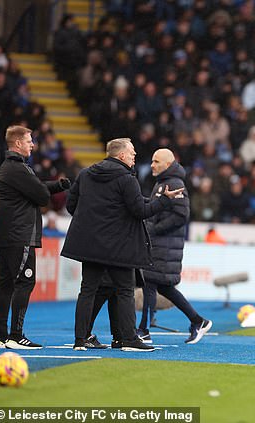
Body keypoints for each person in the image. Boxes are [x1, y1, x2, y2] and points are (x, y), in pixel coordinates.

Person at [61, 138, 184, 352]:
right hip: (118, 246)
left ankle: (80, 339)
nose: (135, 156)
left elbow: (72, 205)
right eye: (132, 152)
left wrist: (93, 224)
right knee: (125, 290)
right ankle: (128, 339)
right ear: (121, 156)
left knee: (87, 290)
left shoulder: (85, 174)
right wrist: (164, 201)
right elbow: (140, 211)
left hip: (90, 245)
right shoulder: (126, 179)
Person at [0, 125, 71, 349]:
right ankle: (16, 336)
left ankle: (0, 337)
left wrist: (57, 185)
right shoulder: (19, 168)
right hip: (20, 235)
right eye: (29, 141)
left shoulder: (9, 167)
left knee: (6, 285)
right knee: (24, 282)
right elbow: (40, 195)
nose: (33, 145)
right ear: (17, 143)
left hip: (7, 236)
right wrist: (49, 190)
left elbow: (35, 188)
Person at [137, 149, 213, 345]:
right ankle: (198, 321)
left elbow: (181, 216)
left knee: (150, 283)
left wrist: (154, 229)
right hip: (164, 246)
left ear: (168, 164)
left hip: (165, 245)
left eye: (156, 161)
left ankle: (143, 330)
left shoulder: (174, 184)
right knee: (164, 287)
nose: (152, 165)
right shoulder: (164, 182)